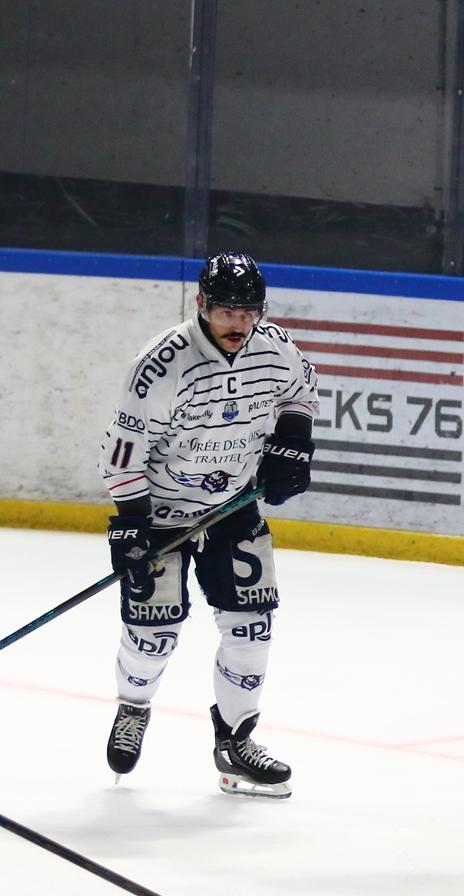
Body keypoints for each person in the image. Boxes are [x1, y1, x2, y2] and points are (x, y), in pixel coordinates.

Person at [97, 252, 316, 797]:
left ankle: (236, 741)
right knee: (153, 633)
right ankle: (134, 706)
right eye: (226, 312)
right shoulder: (160, 365)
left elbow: (301, 390)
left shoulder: (276, 347)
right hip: (162, 514)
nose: (238, 323)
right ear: (201, 305)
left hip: (233, 504)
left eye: (248, 312)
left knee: (252, 625)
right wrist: (131, 524)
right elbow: (122, 455)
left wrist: (293, 440)